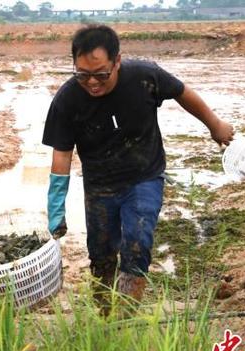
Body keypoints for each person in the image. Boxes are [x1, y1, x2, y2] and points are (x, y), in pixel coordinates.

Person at [43, 25, 233, 311]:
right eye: (83, 74)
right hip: (100, 186)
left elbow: (183, 93)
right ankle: (104, 313)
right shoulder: (68, 99)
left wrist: (215, 125)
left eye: (101, 74)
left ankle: (125, 316)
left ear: (117, 61)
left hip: (144, 176)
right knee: (102, 255)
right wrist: (56, 207)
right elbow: (62, 155)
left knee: (137, 242)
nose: (92, 82)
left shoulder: (144, 76)